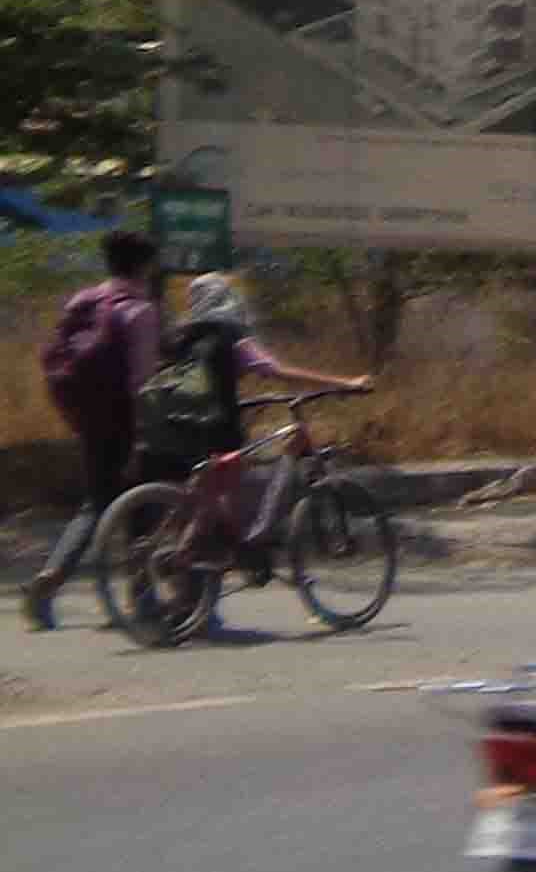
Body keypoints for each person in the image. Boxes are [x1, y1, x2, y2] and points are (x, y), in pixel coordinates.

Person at [141, 271, 374, 567]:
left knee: (215, 492)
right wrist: (345, 382)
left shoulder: (184, 338)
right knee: (233, 480)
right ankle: (219, 547)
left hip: (178, 427)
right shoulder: (231, 336)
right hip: (217, 427)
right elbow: (273, 370)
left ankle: (209, 565)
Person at [26, 229, 168, 628]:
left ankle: (51, 576)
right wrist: (145, 433)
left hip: (90, 419)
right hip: (127, 419)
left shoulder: (84, 301)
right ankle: (143, 599)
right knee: (141, 507)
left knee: (96, 503)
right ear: (143, 265)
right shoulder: (140, 311)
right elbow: (143, 381)